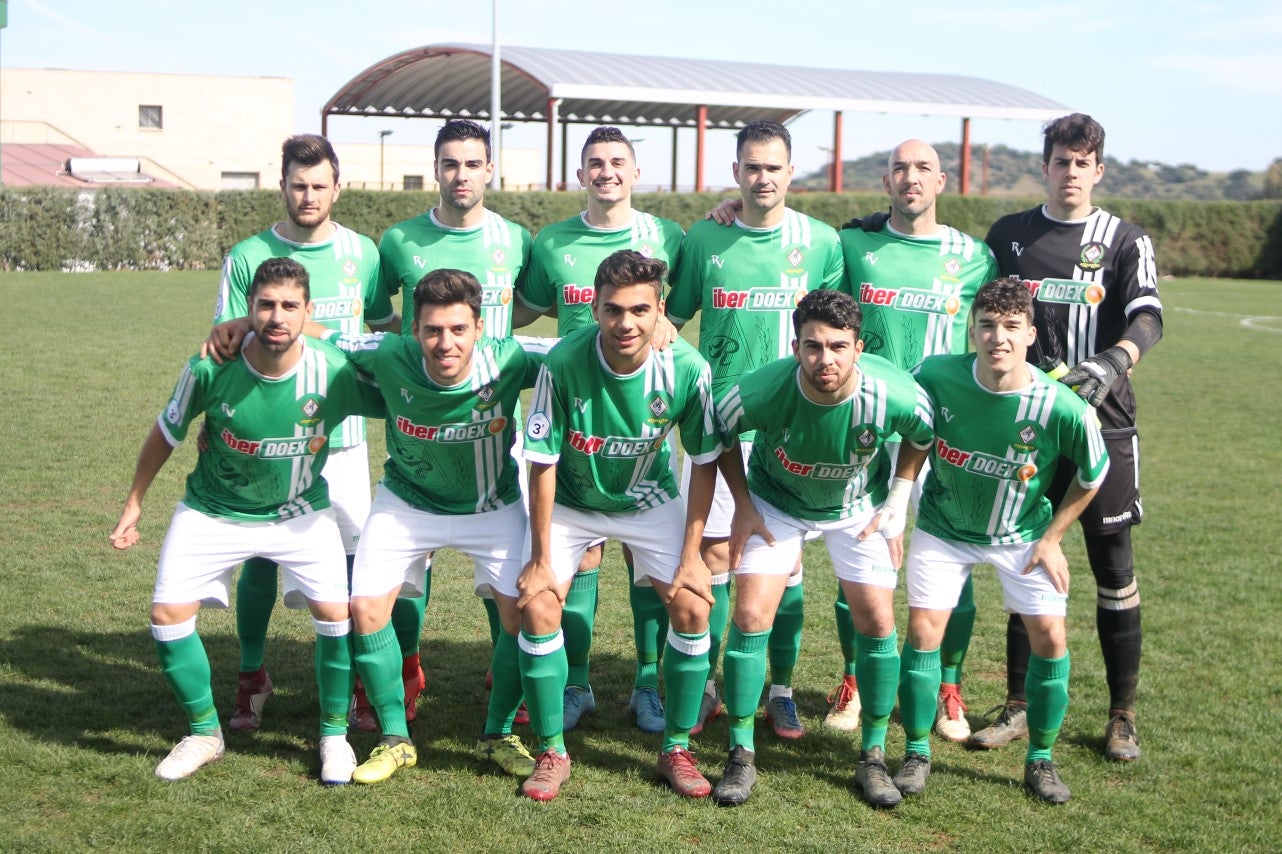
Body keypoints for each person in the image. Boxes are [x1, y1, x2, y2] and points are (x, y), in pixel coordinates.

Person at [109, 257, 384, 784]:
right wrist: (134, 501)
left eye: (289, 306)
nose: (276, 316)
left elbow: (403, 398)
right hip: (214, 509)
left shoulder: (333, 369)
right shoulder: (209, 366)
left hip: (300, 512)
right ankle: (203, 732)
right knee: (167, 616)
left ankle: (333, 736)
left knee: (335, 612)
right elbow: (166, 433)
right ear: (248, 308)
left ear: (307, 312)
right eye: (265, 305)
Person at [307, 269, 551, 785]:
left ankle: (498, 734)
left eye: (459, 329)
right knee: (366, 609)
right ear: (412, 331)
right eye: (433, 330)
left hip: (492, 507)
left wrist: (660, 328)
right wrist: (237, 325)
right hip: (407, 503)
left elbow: (585, 346)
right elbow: (318, 331)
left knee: (521, 616)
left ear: (480, 328)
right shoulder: (386, 352)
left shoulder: (510, 357)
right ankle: (395, 738)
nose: (446, 343)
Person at [969, 113, 1162, 763]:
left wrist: (1112, 362)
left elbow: (1148, 317)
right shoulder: (1011, 236)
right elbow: (958, 283)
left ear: (1098, 170)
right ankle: (1019, 706)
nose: (1071, 172)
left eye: (1083, 162)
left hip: (1104, 424)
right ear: (1045, 166)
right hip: (1028, 428)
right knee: (1028, 559)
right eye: (1061, 160)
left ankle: (1122, 715)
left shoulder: (1124, 240)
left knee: (1114, 569)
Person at [881, 277, 1109, 807]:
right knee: (922, 631)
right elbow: (912, 429)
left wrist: (1053, 538)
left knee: (1050, 639)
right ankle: (916, 751)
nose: (997, 338)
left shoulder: (1061, 406)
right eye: (987, 326)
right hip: (944, 527)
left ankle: (1041, 759)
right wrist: (895, 503)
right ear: (973, 330)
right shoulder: (936, 375)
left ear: (1030, 334)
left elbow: (1094, 473)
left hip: (1023, 535)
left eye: (1011, 327)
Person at [708, 289, 933, 806]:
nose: (824, 359)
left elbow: (922, 434)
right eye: (812, 346)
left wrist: (898, 500)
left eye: (837, 346)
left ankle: (873, 755)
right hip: (776, 501)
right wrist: (742, 504)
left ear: (859, 347)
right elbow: (718, 433)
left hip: (857, 507)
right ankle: (741, 754)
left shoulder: (893, 392)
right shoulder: (763, 389)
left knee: (877, 622)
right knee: (748, 616)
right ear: (795, 346)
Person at [207, 134, 400, 735]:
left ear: (337, 188)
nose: (309, 195)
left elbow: (380, 326)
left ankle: (355, 687)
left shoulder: (363, 253)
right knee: (261, 557)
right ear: (282, 185)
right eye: (298, 183)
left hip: (340, 440)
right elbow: (227, 340)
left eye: (320, 185)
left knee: (350, 567)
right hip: (270, 437)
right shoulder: (247, 256)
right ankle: (251, 675)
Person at [517, 250, 725, 801]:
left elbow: (703, 462)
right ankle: (551, 752)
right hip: (572, 501)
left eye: (639, 310)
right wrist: (540, 557)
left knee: (692, 603)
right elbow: (541, 460)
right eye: (613, 310)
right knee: (538, 604)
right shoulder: (562, 361)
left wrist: (690, 554)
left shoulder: (686, 367)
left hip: (649, 500)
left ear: (660, 310)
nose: (625, 323)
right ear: (594, 306)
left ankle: (677, 747)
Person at [668, 120, 844, 740]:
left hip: (793, 430)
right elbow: (670, 319)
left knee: (786, 566)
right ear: (736, 171)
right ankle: (711, 684)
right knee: (718, 558)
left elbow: (836, 333)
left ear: (791, 172)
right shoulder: (706, 238)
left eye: (773, 167)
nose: (761, 177)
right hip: (720, 426)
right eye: (751, 166)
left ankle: (782, 689)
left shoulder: (822, 244)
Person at [827, 139, 998, 740]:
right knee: (864, 562)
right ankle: (853, 677)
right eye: (900, 167)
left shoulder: (975, 256)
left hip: (948, 431)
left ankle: (949, 684)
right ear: (886, 181)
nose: (911, 177)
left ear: (942, 180)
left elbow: (998, 332)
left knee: (955, 561)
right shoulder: (853, 246)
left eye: (922, 167)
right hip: (871, 429)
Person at [375, 118, 541, 730]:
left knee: (506, 565)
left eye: (472, 163)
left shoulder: (518, 240)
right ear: (436, 167)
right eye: (450, 163)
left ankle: (508, 676)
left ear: (489, 169)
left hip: (495, 424)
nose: (460, 174)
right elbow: (380, 320)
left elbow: (529, 305)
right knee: (409, 569)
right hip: (424, 423)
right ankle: (410, 667)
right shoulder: (398, 242)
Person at [521, 125, 686, 734]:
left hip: (639, 412)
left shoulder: (669, 237)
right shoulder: (551, 242)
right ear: (581, 173)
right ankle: (577, 684)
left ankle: (648, 684)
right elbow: (522, 307)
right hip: (574, 416)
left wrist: (664, 329)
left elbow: (681, 304)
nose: (607, 171)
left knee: (648, 562)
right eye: (595, 162)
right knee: (583, 556)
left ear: (636, 172)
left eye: (618, 162)